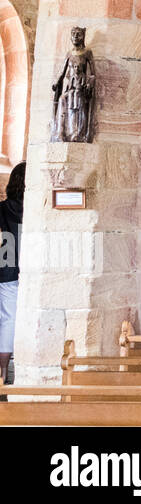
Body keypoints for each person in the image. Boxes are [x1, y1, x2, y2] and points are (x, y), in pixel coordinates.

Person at [0, 162, 25, 383]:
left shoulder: (4, 208)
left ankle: (2, 372)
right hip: (35, 268)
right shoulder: (38, 208)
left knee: (8, 319)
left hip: (7, 266)